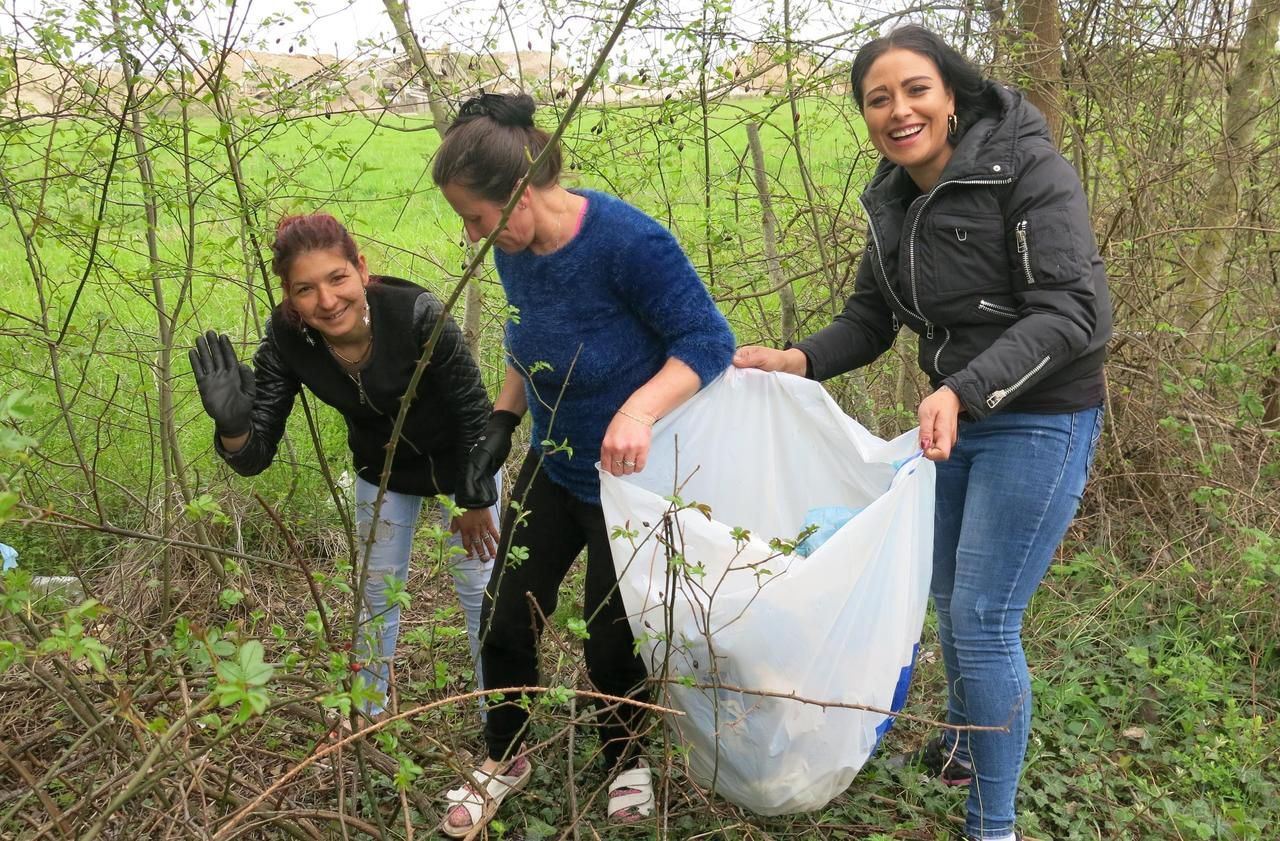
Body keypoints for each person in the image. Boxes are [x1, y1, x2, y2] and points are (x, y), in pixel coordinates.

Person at [734, 25, 1110, 841]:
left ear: (951, 94)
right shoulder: (893, 199)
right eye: (878, 99)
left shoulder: (1029, 169)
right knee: (944, 597)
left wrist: (963, 390)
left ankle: (993, 824)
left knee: (981, 615)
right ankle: (964, 746)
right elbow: (870, 319)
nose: (898, 110)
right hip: (953, 419)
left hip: (1039, 418)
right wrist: (794, 359)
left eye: (915, 90)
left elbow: (1071, 312)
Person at [429, 93, 736, 836]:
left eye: (476, 216)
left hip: (632, 482)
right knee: (504, 618)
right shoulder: (516, 249)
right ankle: (506, 757)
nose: (472, 235)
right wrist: (503, 422)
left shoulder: (630, 243)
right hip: (557, 462)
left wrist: (637, 408)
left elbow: (707, 341)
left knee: (609, 640)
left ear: (523, 193)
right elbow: (523, 340)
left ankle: (625, 762)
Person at [189, 211, 501, 726]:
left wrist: (475, 499)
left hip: (463, 467)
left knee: (481, 595)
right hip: (381, 472)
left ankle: (501, 722)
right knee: (375, 598)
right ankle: (363, 716)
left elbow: (476, 415)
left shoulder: (419, 315)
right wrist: (232, 427)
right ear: (289, 296)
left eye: (337, 278)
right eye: (305, 289)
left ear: (361, 268)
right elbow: (255, 455)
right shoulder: (289, 338)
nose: (327, 301)